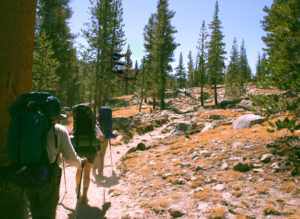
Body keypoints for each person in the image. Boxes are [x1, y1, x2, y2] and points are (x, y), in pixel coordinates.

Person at [25, 96, 88, 219]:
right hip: (48, 176)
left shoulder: (29, 128)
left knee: (35, 211)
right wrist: (81, 162)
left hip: (28, 175)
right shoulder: (59, 130)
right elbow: (70, 158)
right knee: (47, 213)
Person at [69, 105, 104, 204]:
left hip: (78, 150)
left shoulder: (76, 125)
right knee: (87, 173)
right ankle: (84, 195)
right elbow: (101, 137)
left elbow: (69, 135)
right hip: (90, 150)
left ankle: (77, 189)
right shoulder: (93, 125)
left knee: (79, 170)